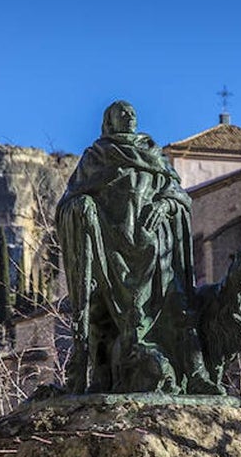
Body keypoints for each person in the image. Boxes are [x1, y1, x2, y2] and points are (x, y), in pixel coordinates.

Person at [56, 100, 218, 394]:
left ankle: (196, 375)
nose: (129, 116)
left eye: (131, 112)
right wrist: (83, 205)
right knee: (99, 312)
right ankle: (101, 377)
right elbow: (68, 203)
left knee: (178, 305)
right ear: (109, 122)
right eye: (122, 112)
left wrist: (167, 204)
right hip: (110, 252)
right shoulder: (96, 158)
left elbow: (179, 196)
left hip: (155, 251)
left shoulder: (152, 153)